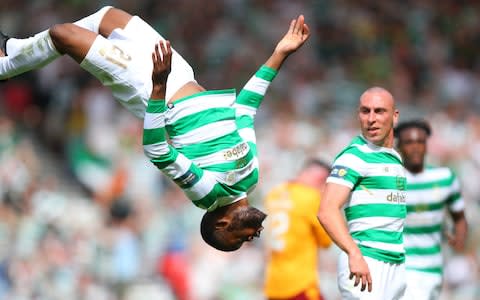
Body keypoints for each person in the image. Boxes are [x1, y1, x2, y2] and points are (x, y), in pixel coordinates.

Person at [0, 6, 311, 251]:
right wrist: (280, 53)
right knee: (109, 17)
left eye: (239, 239)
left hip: (150, 87)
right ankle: (11, 49)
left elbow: (157, 151)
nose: (251, 237)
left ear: (222, 224)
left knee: (64, 34)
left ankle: (6, 66)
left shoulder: (208, 194)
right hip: (182, 75)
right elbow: (244, 110)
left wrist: (159, 86)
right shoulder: (252, 176)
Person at [317, 87, 407, 300]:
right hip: (367, 262)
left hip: (396, 264)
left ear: (395, 116)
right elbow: (326, 211)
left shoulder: (394, 157)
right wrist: (354, 254)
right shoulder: (353, 157)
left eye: (379, 111)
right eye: (365, 111)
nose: (371, 119)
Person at [394, 119, 468, 300]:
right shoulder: (390, 181)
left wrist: (459, 237)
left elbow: (459, 217)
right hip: (400, 267)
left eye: (420, 141)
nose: (416, 147)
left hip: (432, 267)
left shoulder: (444, 178)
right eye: (409, 142)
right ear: (399, 147)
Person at [263, 159, 332, 300]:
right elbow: (327, 240)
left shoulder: (275, 192)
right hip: (299, 284)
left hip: (273, 284)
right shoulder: (310, 197)